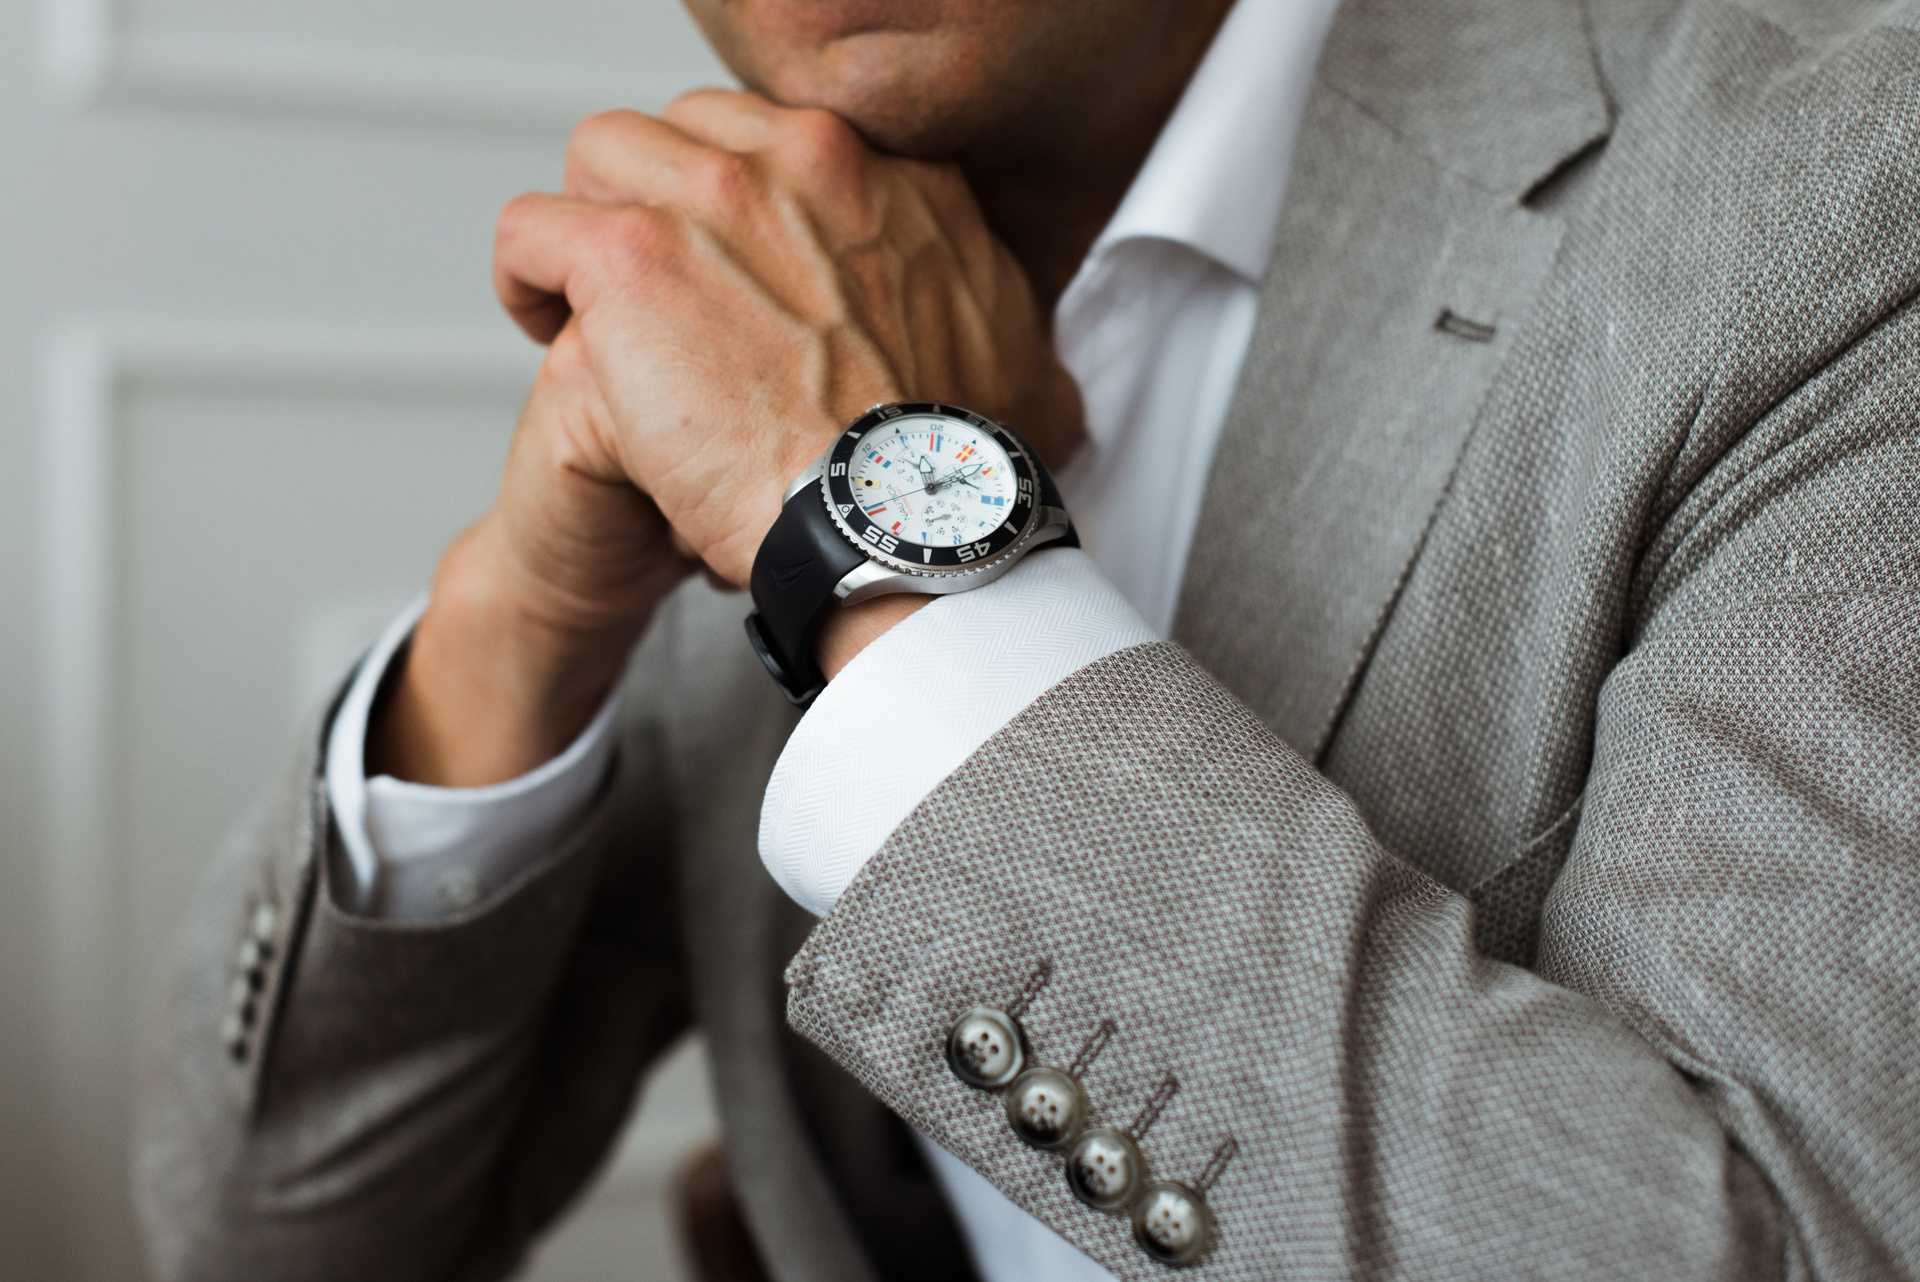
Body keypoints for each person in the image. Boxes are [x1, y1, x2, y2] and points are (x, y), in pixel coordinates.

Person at [136, 0, 1920, 1277]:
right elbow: (260, 1237)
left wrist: (878, 554)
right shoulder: (742, 279)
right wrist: (523, 608)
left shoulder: (1836, 191)